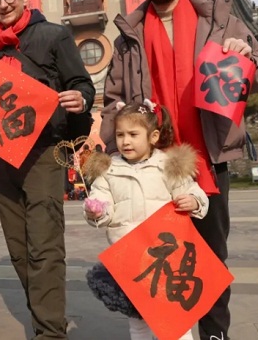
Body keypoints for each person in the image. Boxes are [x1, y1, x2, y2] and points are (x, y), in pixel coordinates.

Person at [100, 0, 258, 340]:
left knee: (210, 261)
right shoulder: (130, 35)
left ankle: (214, 334)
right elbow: (113, 100)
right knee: (156, 263)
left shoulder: (220, 19)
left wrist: (245, 55)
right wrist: (113, 155)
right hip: (153, 168)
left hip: (206, 159)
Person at [0, 0, 96, 339]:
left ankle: (49, 331)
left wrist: (80, 99)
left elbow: (81, 83)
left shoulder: (53, 35)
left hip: (43, 153)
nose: (3, 4)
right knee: (19, 249)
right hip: (2, 158)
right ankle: (46, 315)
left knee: (45, 245)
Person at [83, 101, 208, 340]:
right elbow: (102, 201)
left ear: (153, 136)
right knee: (138, 320)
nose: (125, 141)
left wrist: (194, 200)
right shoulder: (109, 170)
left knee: (175, 322)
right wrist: (96, 211)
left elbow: (192, 189)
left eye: (133, 134)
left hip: (167, 260)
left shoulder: (168, 165)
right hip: (131, 259)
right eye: (120, 135)